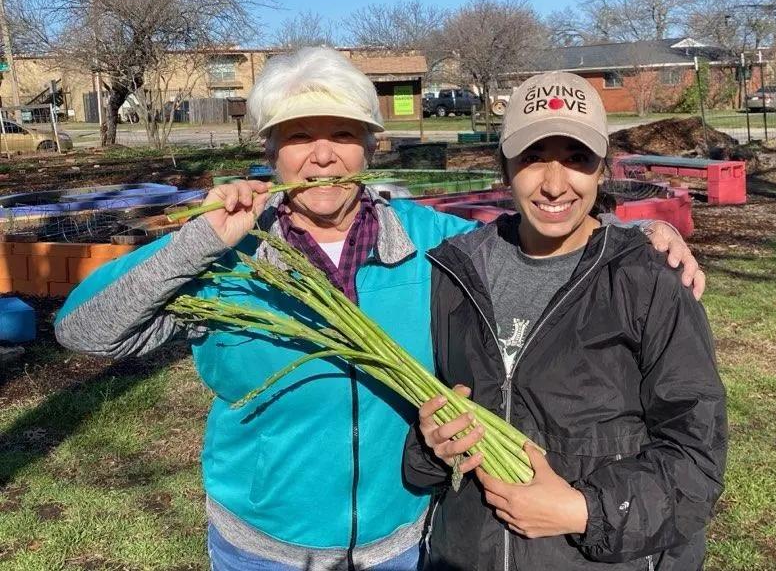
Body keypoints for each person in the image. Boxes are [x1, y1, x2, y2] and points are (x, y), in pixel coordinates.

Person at [55, 49, 704, 571]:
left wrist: (626, 236)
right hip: (262, 549)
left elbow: (536, 230)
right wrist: (200, 241)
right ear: (269, 150)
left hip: (401, 542)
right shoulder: (225, 256)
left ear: (371, 147)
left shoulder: (434, 246)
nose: (322, 154)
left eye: (343, 134)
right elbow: (84, 331)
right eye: (297, 135)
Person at [403, 71, 727, 571]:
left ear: (602, 170)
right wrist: (431, 447)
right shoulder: (453, 270)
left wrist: (584, 511)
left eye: (577, 159)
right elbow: (433, 410)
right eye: (533, 158)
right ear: (505, 167)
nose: (555, 184)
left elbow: (696, 453)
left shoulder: (646, 279)